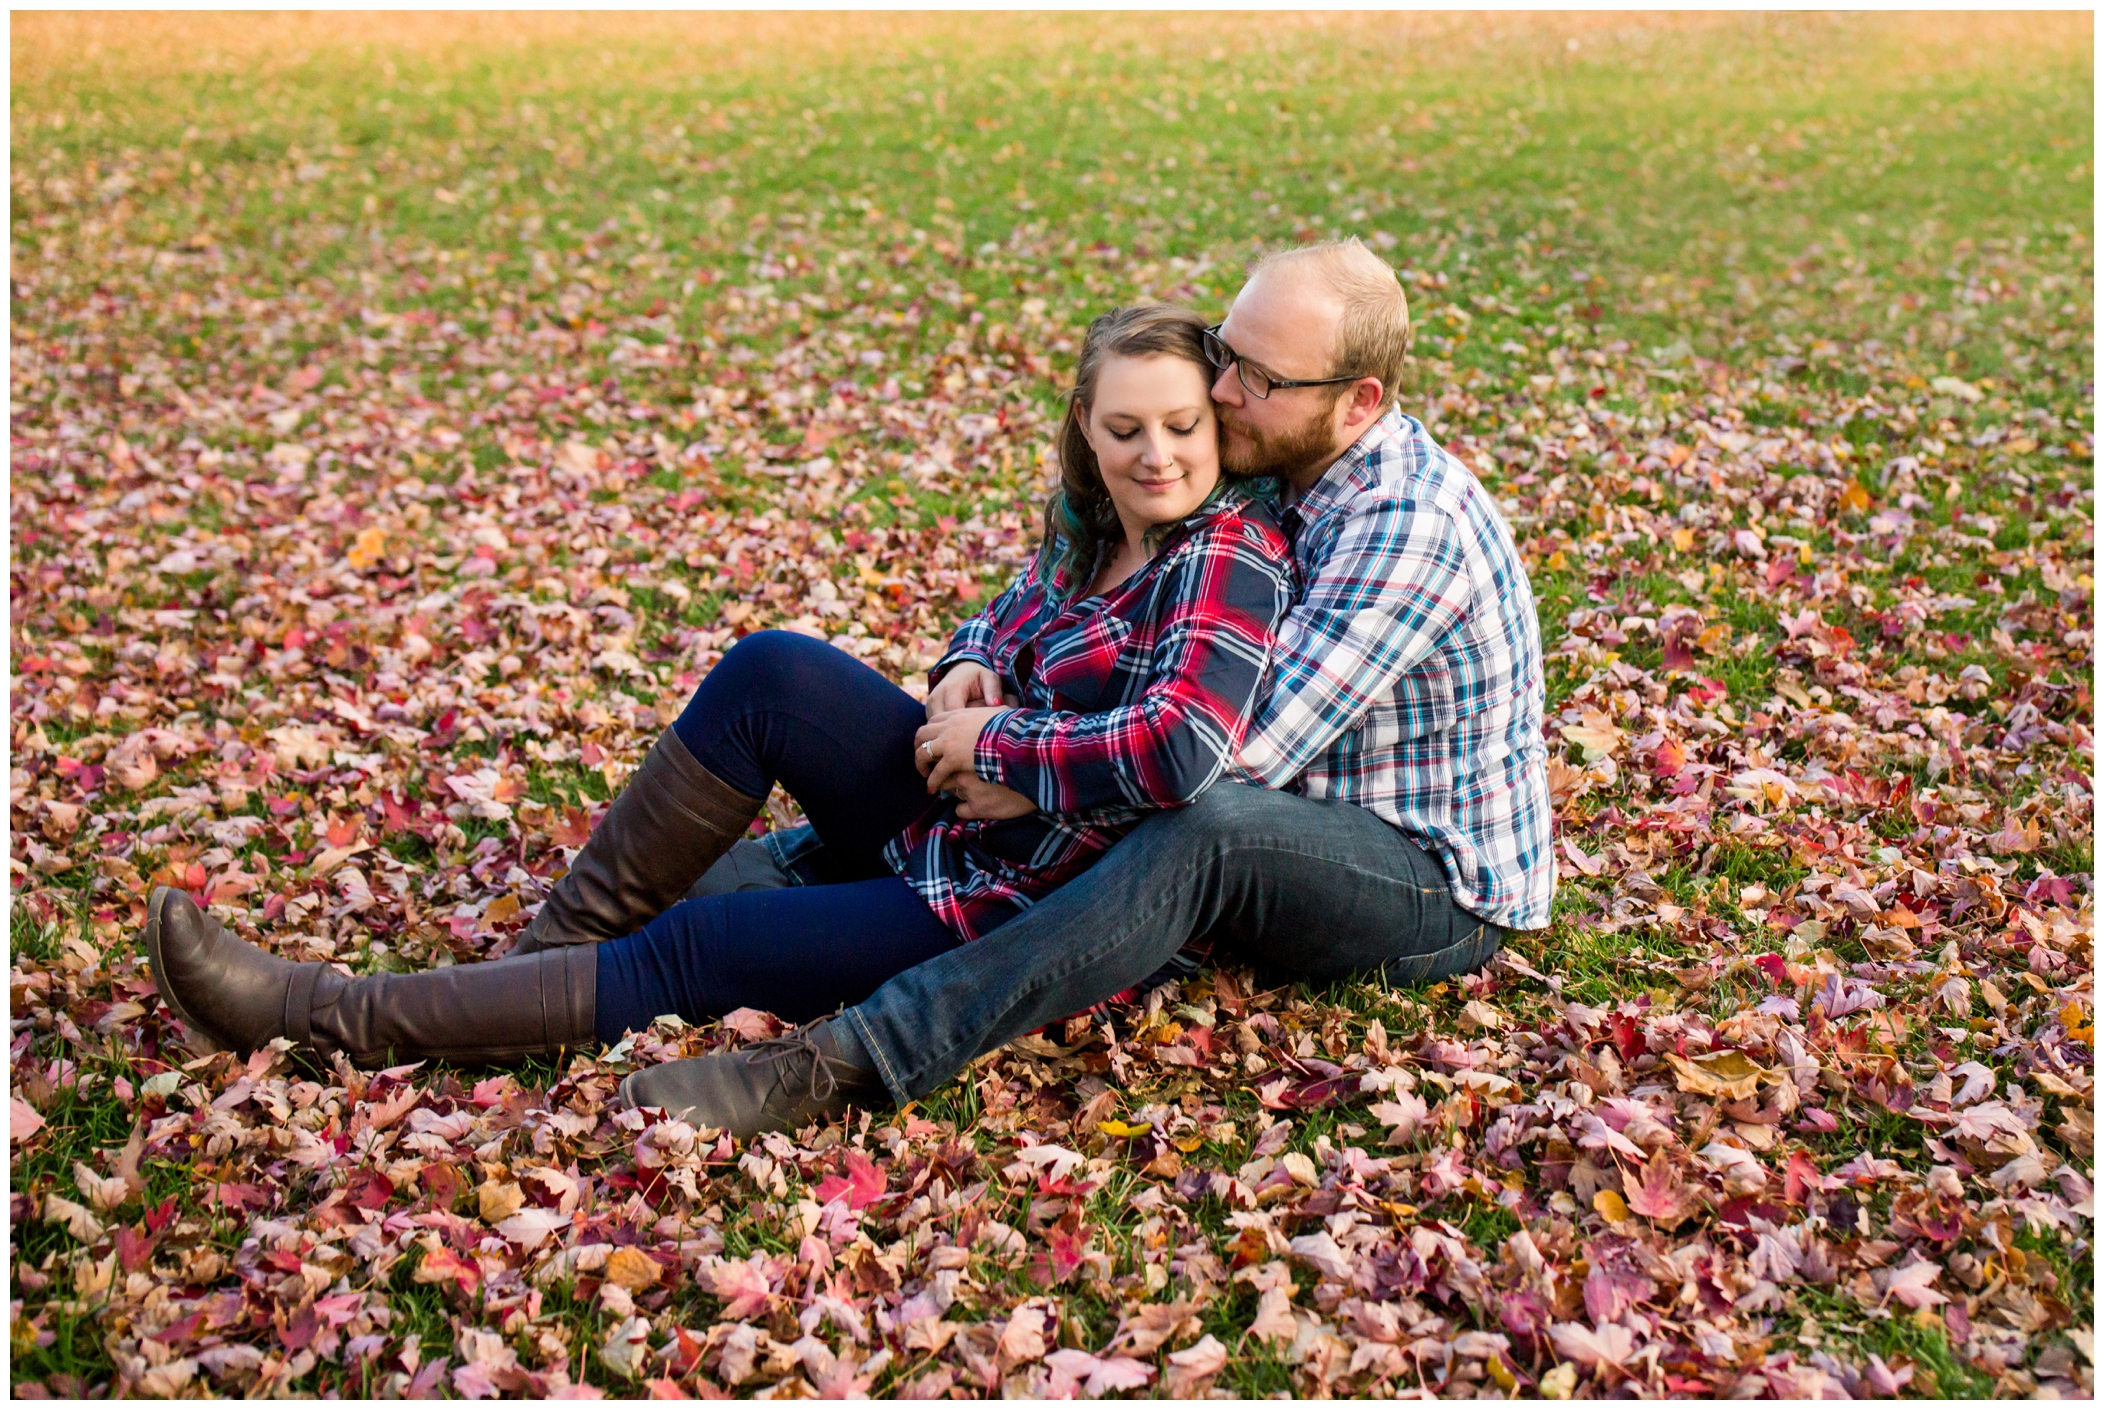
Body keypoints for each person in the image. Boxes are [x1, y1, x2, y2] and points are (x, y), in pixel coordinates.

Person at [142, 305, 1296, 1074]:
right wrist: (963, 667)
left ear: (1217, 427)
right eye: (1124, 427)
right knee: (772, 670)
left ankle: (318, 1017)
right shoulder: (1091, 532)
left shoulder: (1222, 555)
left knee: (700, 944)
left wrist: (999, 750)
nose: (1156, 453)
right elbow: (998, 617)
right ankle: (534, 972)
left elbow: (1182, 746)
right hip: (952, 818)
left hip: (1013, 902)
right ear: (1084, 434)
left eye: (1183, 426)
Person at [619, 238, 1554, 1137]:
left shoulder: (1407, 528)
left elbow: (1228, 756)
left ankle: (868, 1050)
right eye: (1227, 355)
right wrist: (973, 659)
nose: (1222, 390)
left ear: (1359, 403)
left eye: (1258, 379)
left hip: (1427, 881)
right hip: (1264, 801)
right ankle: (796, 877)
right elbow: (1084, 582)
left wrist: (1016, 758)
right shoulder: (1271, 456)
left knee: (1204, 831)